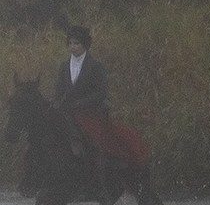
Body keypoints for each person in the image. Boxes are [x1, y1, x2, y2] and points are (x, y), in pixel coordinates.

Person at [52, 25, 151, 174]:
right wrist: (59, 102)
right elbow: (59, 89)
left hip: (90, 111)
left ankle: (107, 163)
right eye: (70, 43)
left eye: (76, 43)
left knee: (95, 137)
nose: (73, 47)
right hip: (68, 112)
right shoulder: (64, 66)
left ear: (84, 44)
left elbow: (100, 93)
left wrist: (79, 104)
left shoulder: (96, 66)